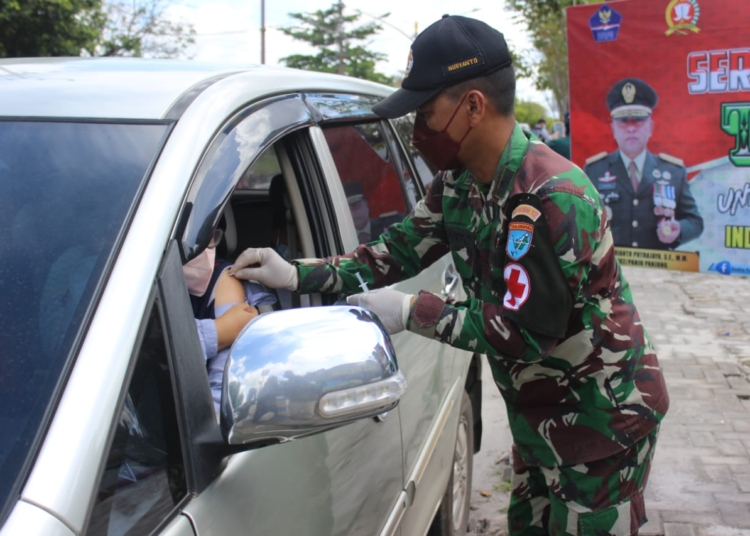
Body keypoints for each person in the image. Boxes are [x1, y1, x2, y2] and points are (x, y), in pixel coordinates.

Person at [229, 15, 669, 535]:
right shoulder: (458, 184)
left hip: (603, 424)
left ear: (473, 107)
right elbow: (391, 254)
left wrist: (412, 311)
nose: (416, 132)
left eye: (424, 112)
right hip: (541, 423)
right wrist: (296, 274)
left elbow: (527, 332)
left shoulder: (556, 198)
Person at [584, 78, 703, 250]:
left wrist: (679, 230)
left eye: (638, 120)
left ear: (651, 127)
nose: (631, 128)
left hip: (659, 271)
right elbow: (581, 219)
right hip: (610, 269)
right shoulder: (594, 170)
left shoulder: (673, 171)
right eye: (623, 121)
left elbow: (695, 221)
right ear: (613, 130)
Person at [183, 227, 276, 413]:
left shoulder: (222, 280)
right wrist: (217, 332)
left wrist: (296, 275)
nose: (207, 245)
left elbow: (223, 397)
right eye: (198, 236)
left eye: (211, 237)